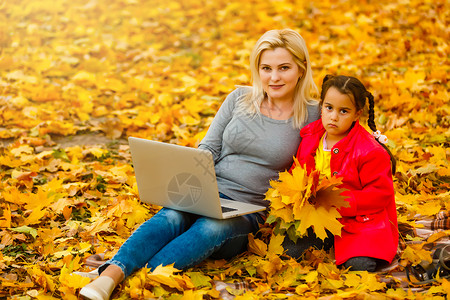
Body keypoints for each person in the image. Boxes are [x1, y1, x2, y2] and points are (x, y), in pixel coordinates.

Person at [79, 28, 320, 300]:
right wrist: (193, 179)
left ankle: (120, 275)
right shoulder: (239, 99)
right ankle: (112, 276)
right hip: (207, 191)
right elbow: (209, 148)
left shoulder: (315, 114)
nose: (273, 77)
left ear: (301, 69)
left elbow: (341, 148)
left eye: (284, 68)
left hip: (248, 212)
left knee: (210, 227)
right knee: (172, 215)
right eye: (266, 68)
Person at [285, 74, 398, 272]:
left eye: (343, 111)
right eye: (329, 108)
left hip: (359, 222)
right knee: (288, 252)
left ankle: (347, 250)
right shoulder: (311, 136)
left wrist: (342, 201)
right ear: (322, 106)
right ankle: (328, 245)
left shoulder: (369, 151)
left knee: (359, 265)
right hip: (319, 217)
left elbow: (381, 194)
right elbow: (299, 170)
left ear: (357, 114)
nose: (334, 117)